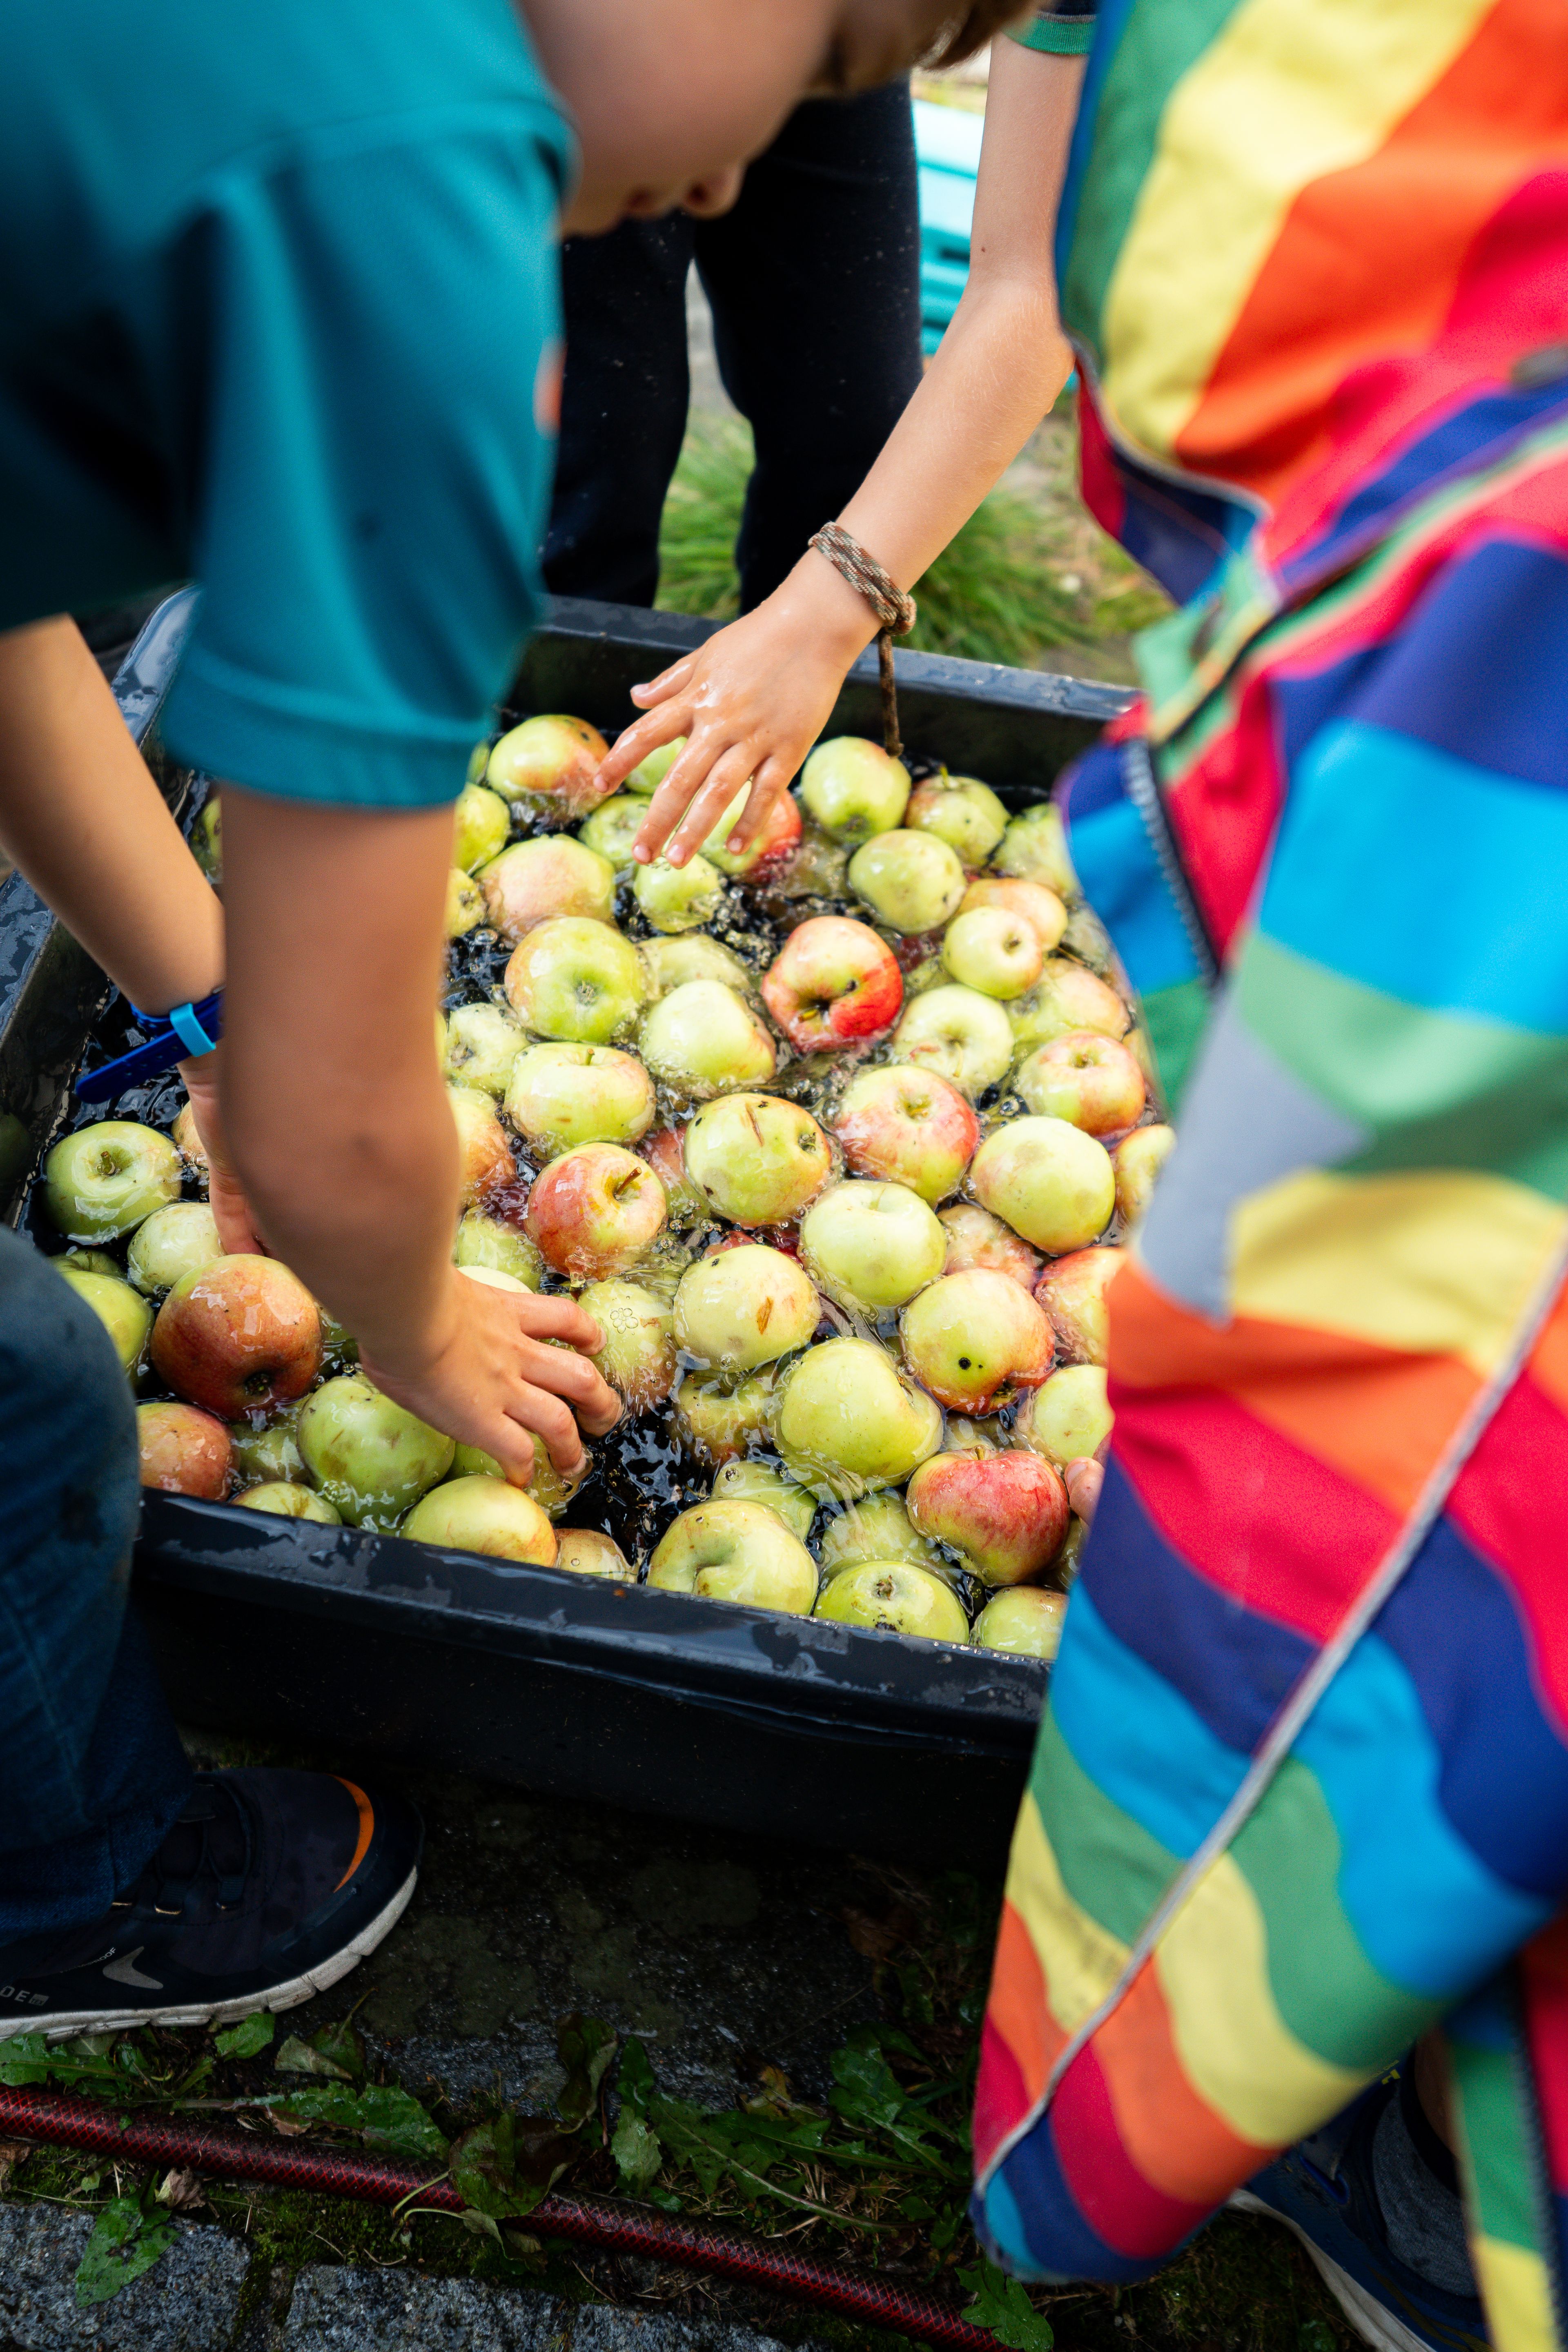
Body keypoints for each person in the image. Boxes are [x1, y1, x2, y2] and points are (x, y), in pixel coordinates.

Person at [592, 9, 1568, 2352]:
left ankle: (1404, 2166)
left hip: (1484, 775)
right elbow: (1029, 270)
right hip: (1404, 740)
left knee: (1439, 1582)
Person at [0, 0, 1014, 2045]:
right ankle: (71, 1891)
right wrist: (423, 1324)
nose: (738, 186)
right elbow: (330, 1131)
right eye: (832, 66)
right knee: (33, 1398)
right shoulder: (414, 235)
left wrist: (201, 987)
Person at [544, 85, 923, 616]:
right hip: (605, 37)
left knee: (859, 421)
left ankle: (798, 661)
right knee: (602, 440)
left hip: (831, 26)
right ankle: (570, 680)